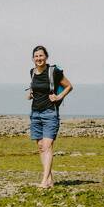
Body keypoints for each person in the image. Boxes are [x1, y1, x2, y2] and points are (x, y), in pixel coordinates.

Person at [27, 45, 73, 188]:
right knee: (41, 147)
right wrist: (30, 93)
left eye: (41, 56)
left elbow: (69, 86)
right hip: (35, 113)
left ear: (46, 57)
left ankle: (44, 181)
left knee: (47, 146)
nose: (38, 58)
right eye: (36, 56)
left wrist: (58, 97)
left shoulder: (54, 72)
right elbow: (35, 88)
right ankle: (50, 180)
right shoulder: (32, 72)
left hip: (50, 113)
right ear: (33, 58)